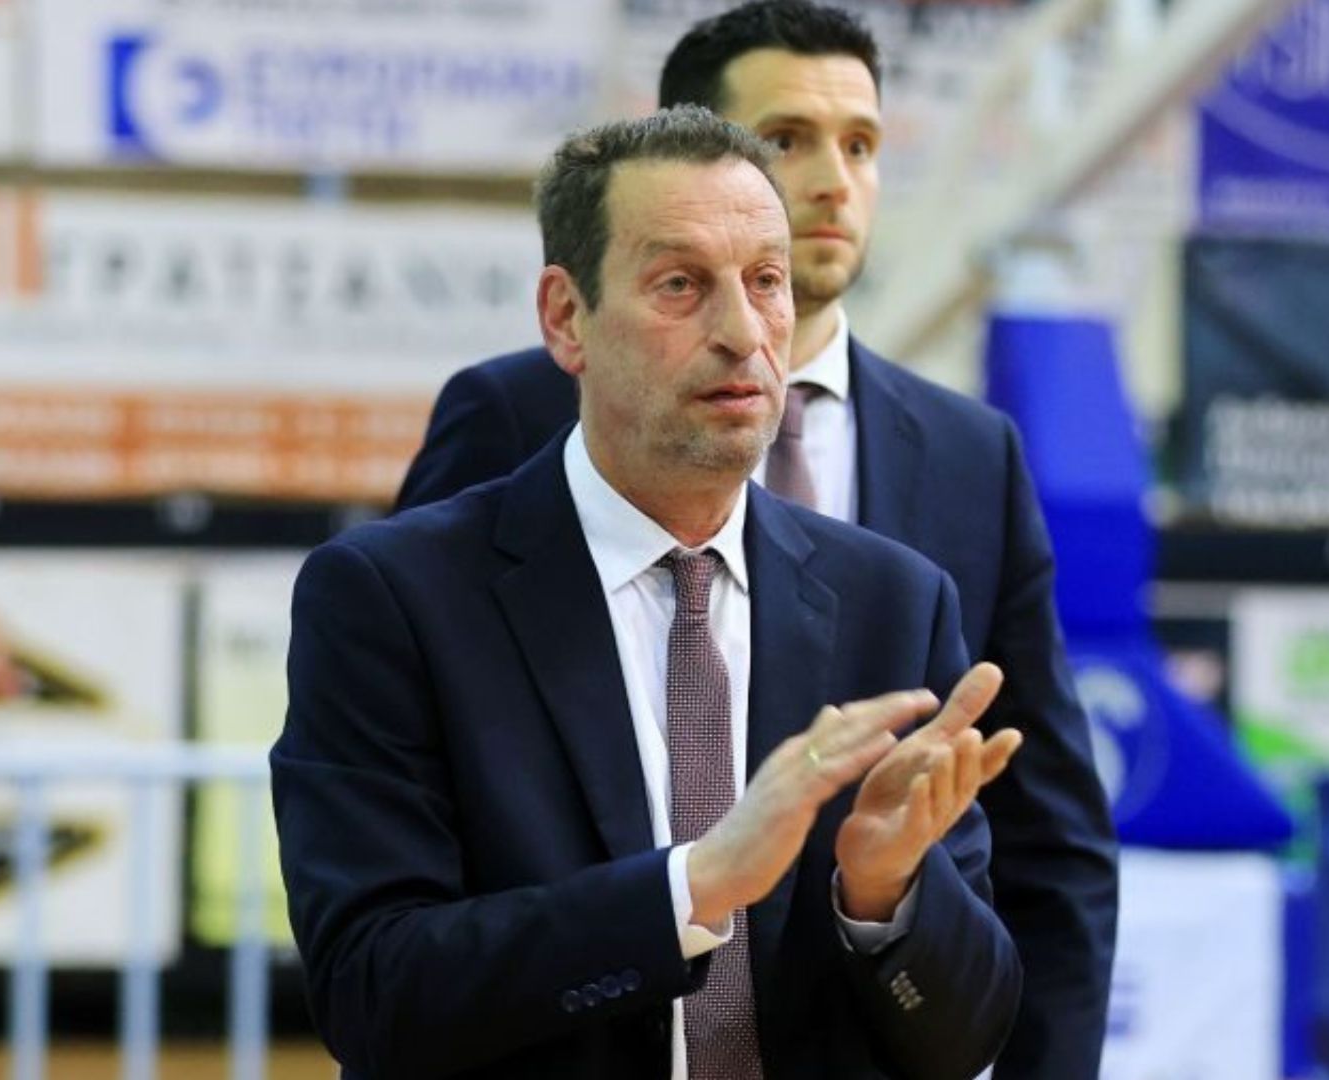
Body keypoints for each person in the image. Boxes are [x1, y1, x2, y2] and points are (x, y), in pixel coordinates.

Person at [393, 4, 1117, 1074]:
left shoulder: (963, 474)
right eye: (785, 139)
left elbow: (1046, 840)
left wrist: (890, 899)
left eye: (861, 144)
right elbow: (419, 825)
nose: (831, 181)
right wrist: (692, 885)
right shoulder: (508, 426)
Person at [275, 108, 1025, 1079]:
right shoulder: (395, 598)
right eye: (681, 285)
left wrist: (883, 897)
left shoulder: (895, 603)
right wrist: (695, 887)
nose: (743, 333)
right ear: (565, 318)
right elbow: (373, 992)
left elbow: (964, 1040)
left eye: (766, 282)